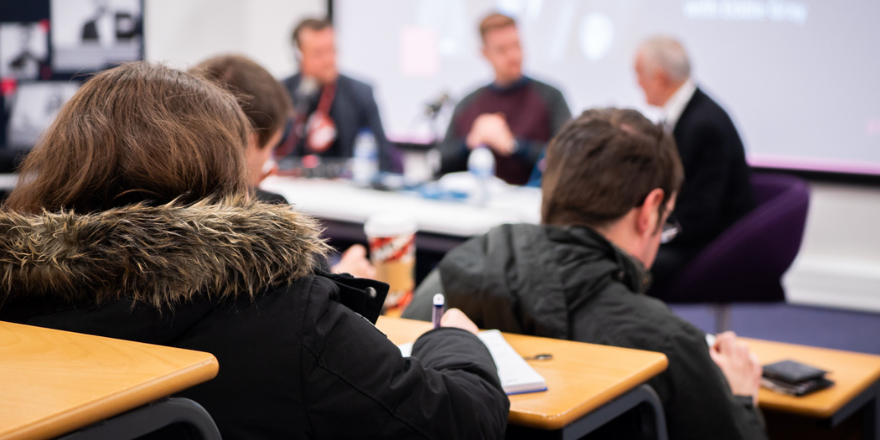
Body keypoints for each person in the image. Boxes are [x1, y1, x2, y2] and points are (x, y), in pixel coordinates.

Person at [0, 62, 509, 439]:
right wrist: (456, 344)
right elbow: (464, 422)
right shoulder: (286, 316)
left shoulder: (15, 300)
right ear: (224, 174)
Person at [404, 108, 767, 440]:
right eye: (666, 221)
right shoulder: (670, 345)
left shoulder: (443, 289)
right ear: (650, 210)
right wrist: (740, 398)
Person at [194, 54, 376, 280]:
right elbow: (311, 306)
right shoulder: (270, 217)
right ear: (248, 145)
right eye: (269, 149)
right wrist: (344, 279)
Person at [634, 36, 756, 294]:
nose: (637, 83)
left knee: (622, 264)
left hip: (712, 245)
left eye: (638, 74)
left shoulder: (704, 125)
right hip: (690, 233)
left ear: (658, 77)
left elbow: (701, 214)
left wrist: (647, 234)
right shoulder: (690, 114)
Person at [438, 13, 571, 186]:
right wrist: (470, 142)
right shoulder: (468, 104)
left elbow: (568, 157)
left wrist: (513, 145)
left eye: (517, 46)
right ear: (485, 53)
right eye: (502, 49)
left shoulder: (551, 97)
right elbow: (442, 161)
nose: (513, 56)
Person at [280, 18, 394, 170]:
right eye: (318, 53)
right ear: (298, 56)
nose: (328, 60)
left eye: (331, 50)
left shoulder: (361, 93)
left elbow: (383, 155)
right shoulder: (281, 93)